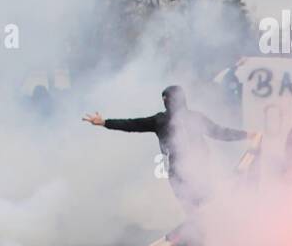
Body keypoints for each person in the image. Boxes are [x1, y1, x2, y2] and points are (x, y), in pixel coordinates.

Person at [83, 85, 251, 213]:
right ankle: (199, 233)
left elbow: (220, 132)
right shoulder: (160, 120)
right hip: (177, 173)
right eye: (164, 100)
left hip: (198, 169)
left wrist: (246, 135)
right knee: (195, 207)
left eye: (168, 99)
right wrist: (105, 122)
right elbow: (132, 124)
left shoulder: (193, 118)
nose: (166, 103)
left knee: (205, 205)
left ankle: (209, 230)